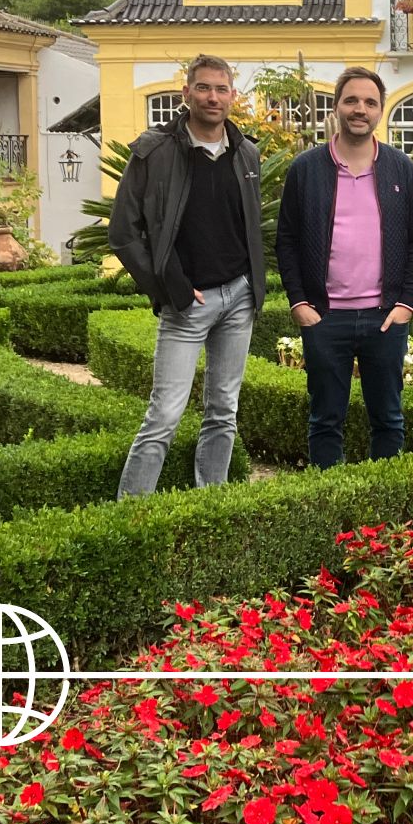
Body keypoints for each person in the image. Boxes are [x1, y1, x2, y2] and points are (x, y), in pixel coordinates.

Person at [109, 54, 266, 497]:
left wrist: (252, 285)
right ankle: (130, 512)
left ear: (232, 96)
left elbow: (250, 224)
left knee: (224, 411)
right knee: (163, 416)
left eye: (221, 89)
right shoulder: (154, 152)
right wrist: (170, 288)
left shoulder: (246, 152)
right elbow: (123, 232)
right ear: (186, 93)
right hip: (187, 304)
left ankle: (210, 502)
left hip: (238, 298)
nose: (213, 97)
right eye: (203, 87)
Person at [276, 67, 413, 469]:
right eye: (351, 100)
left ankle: (383, 501)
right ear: (337, 107)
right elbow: (287, 241)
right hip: (325, 317)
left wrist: (406, 304)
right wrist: (299, 302)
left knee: (389, 420)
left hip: (385, 317)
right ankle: (328, 499)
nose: (360, 109)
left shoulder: (400, 168)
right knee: (325, 421)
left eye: (369, 102)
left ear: (380, 110)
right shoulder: (306, 169)